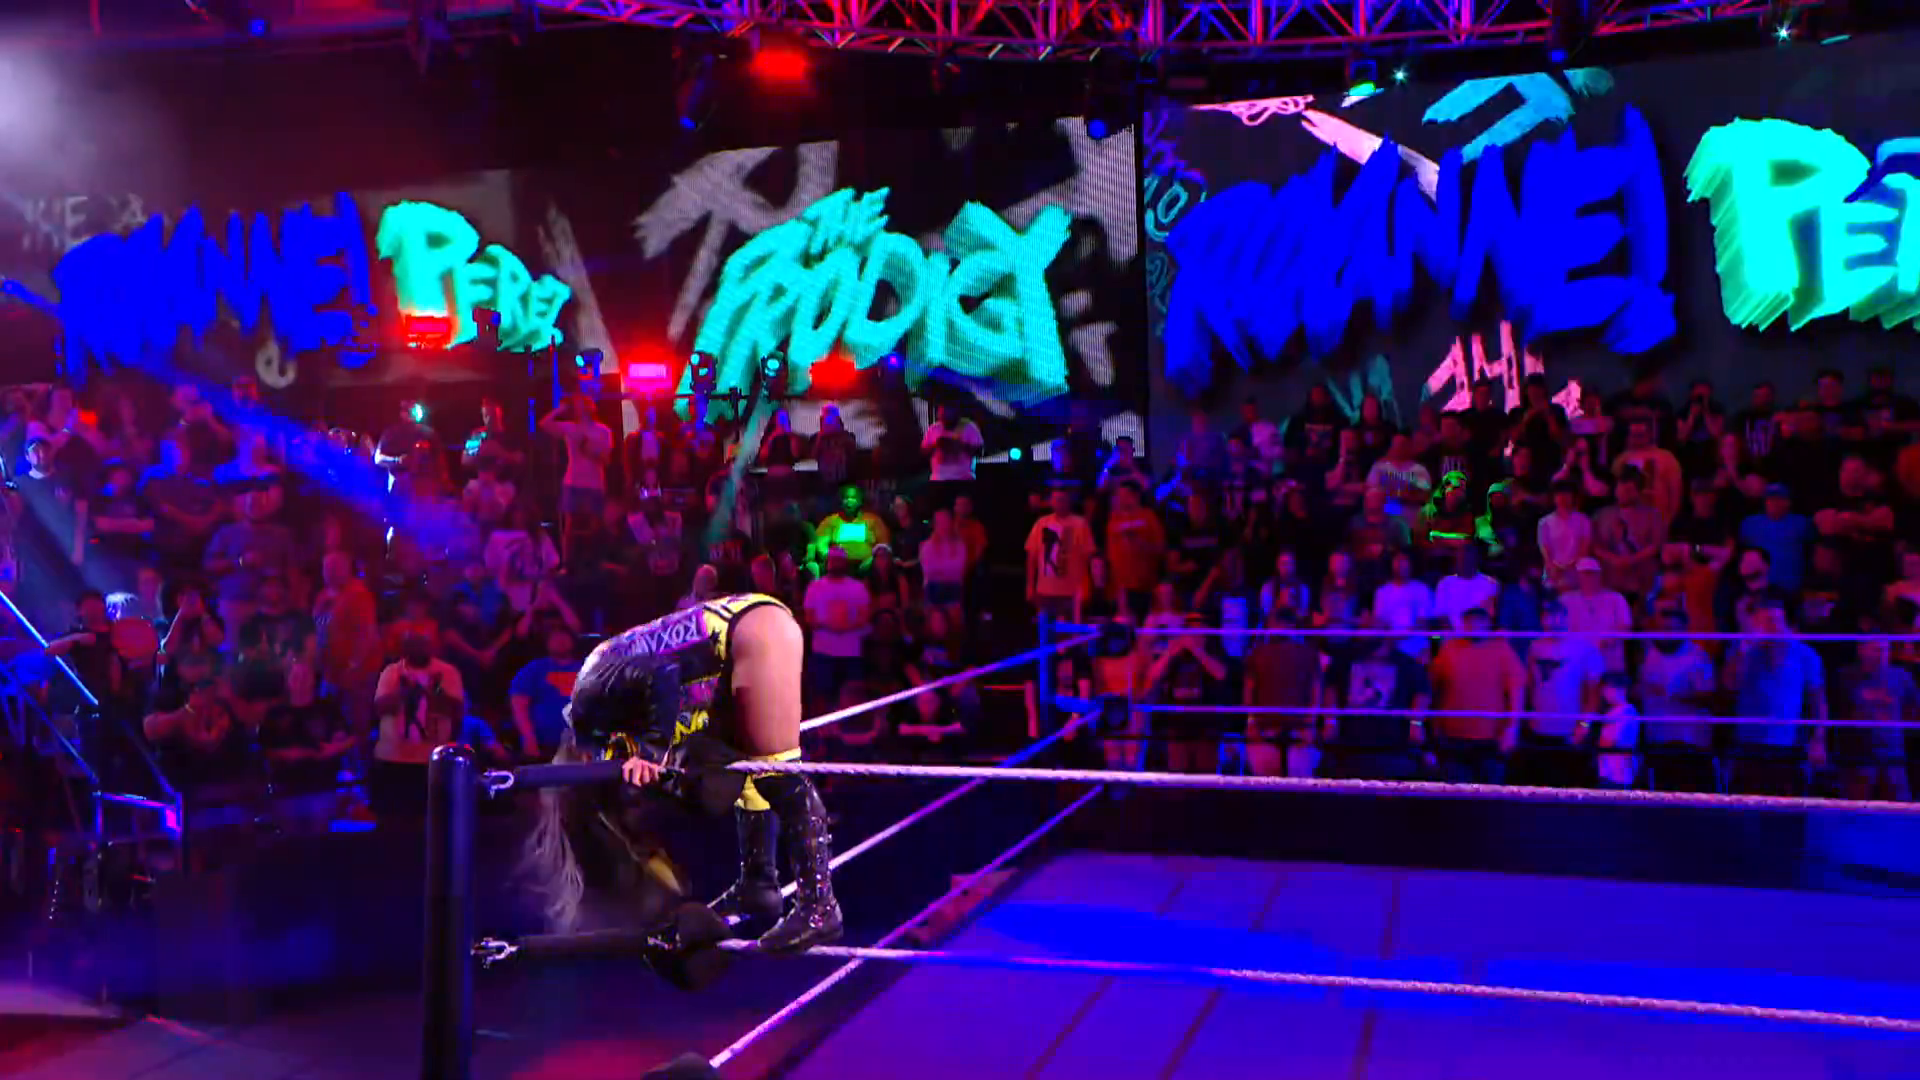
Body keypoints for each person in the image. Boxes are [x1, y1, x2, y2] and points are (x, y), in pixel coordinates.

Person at [522, 593, 841, 954]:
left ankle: (820, 906)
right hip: (731, 654)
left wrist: (651, 753)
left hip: (750, 628)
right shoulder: (613, 739)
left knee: (775, 772)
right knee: (750, 768)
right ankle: (758, 884)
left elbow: (663, 673)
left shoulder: (590, 693)